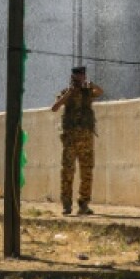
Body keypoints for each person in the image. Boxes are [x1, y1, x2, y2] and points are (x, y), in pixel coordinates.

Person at [50, 66, 105, 216]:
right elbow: (54, 108)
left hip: (86, 139)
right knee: (67, 171)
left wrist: (91, 84)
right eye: (78, 75)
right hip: (70, 140)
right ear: (73, 76)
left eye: (82, 75)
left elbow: (100, 92)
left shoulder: (88, 92)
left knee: (87, 172)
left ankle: (84, 204)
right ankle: (67, 205)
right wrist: (68, 94)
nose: (81, 77)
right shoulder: (66, 92)